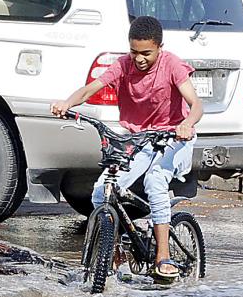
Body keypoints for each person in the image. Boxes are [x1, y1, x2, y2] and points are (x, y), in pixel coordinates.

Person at [50, 16, 203, 281]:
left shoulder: (172, 65)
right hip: (139, 140)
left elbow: (196, 104)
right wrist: (67, 103)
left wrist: (186, 124)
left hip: (174, 139)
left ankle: (163, 256)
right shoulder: (122, 65)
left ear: (159, 47)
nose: (139, 59)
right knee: (102, 191)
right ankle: (115, 246)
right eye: (134, 52)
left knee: (156, 181)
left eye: (147, 53)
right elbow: (91, 89)